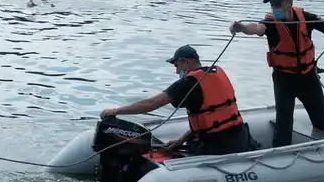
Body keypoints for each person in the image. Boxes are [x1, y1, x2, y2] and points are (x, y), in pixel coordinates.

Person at [229, 0, 324, 147]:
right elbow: (256, 28)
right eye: (271, 5)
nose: (273, 8)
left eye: (276, 4)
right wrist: (241, 28)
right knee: (284, 121)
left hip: (308, 78)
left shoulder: (307, 18)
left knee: (321, 117)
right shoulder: (271, 22)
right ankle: (280, 154)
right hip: (284, 80)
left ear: (288, 4)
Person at [99, 45, 258, 156]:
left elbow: (151, 103)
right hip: (240, 138)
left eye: (176, 65)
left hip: (217, 146)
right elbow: (210, 121)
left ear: (186, 62)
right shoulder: (215, 73)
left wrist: (116, 111)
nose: (176, 71)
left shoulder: (188, 83)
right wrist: (182, 140)